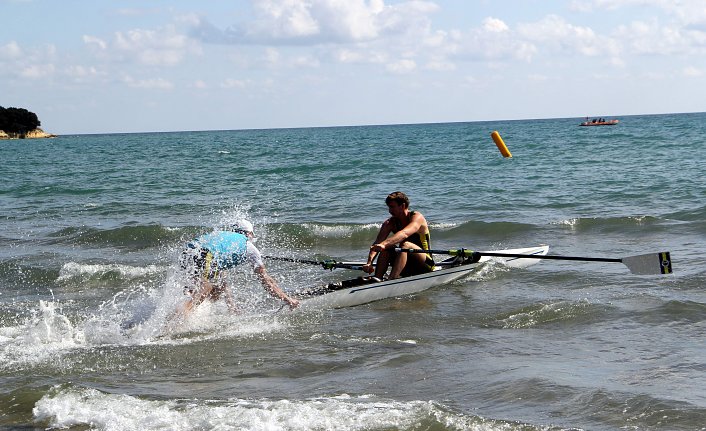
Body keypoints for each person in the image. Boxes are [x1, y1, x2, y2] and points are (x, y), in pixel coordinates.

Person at [177, 219, 299, 316]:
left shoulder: (223, 238)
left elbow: (223, 281)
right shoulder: (248, 246)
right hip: (206, 254)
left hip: (188, 252)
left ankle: (193, 312)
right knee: (205, 288)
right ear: (249, 234)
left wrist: (232, 307)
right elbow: (267, 281)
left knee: (213, 287)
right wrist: (288, 299)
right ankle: (179, 319)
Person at [362, 191, 434, 280]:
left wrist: (384, 244)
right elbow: (377, 243)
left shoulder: (417, 217)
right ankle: (377, 279)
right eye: (389, 207)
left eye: (392, 207)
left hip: (425, 264)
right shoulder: (389, 223)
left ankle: (392, 280)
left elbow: (404, 233)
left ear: (403, 206)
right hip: (406, 266)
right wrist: (369, 262)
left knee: (405, 245)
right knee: (387, 248)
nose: (389, 211)